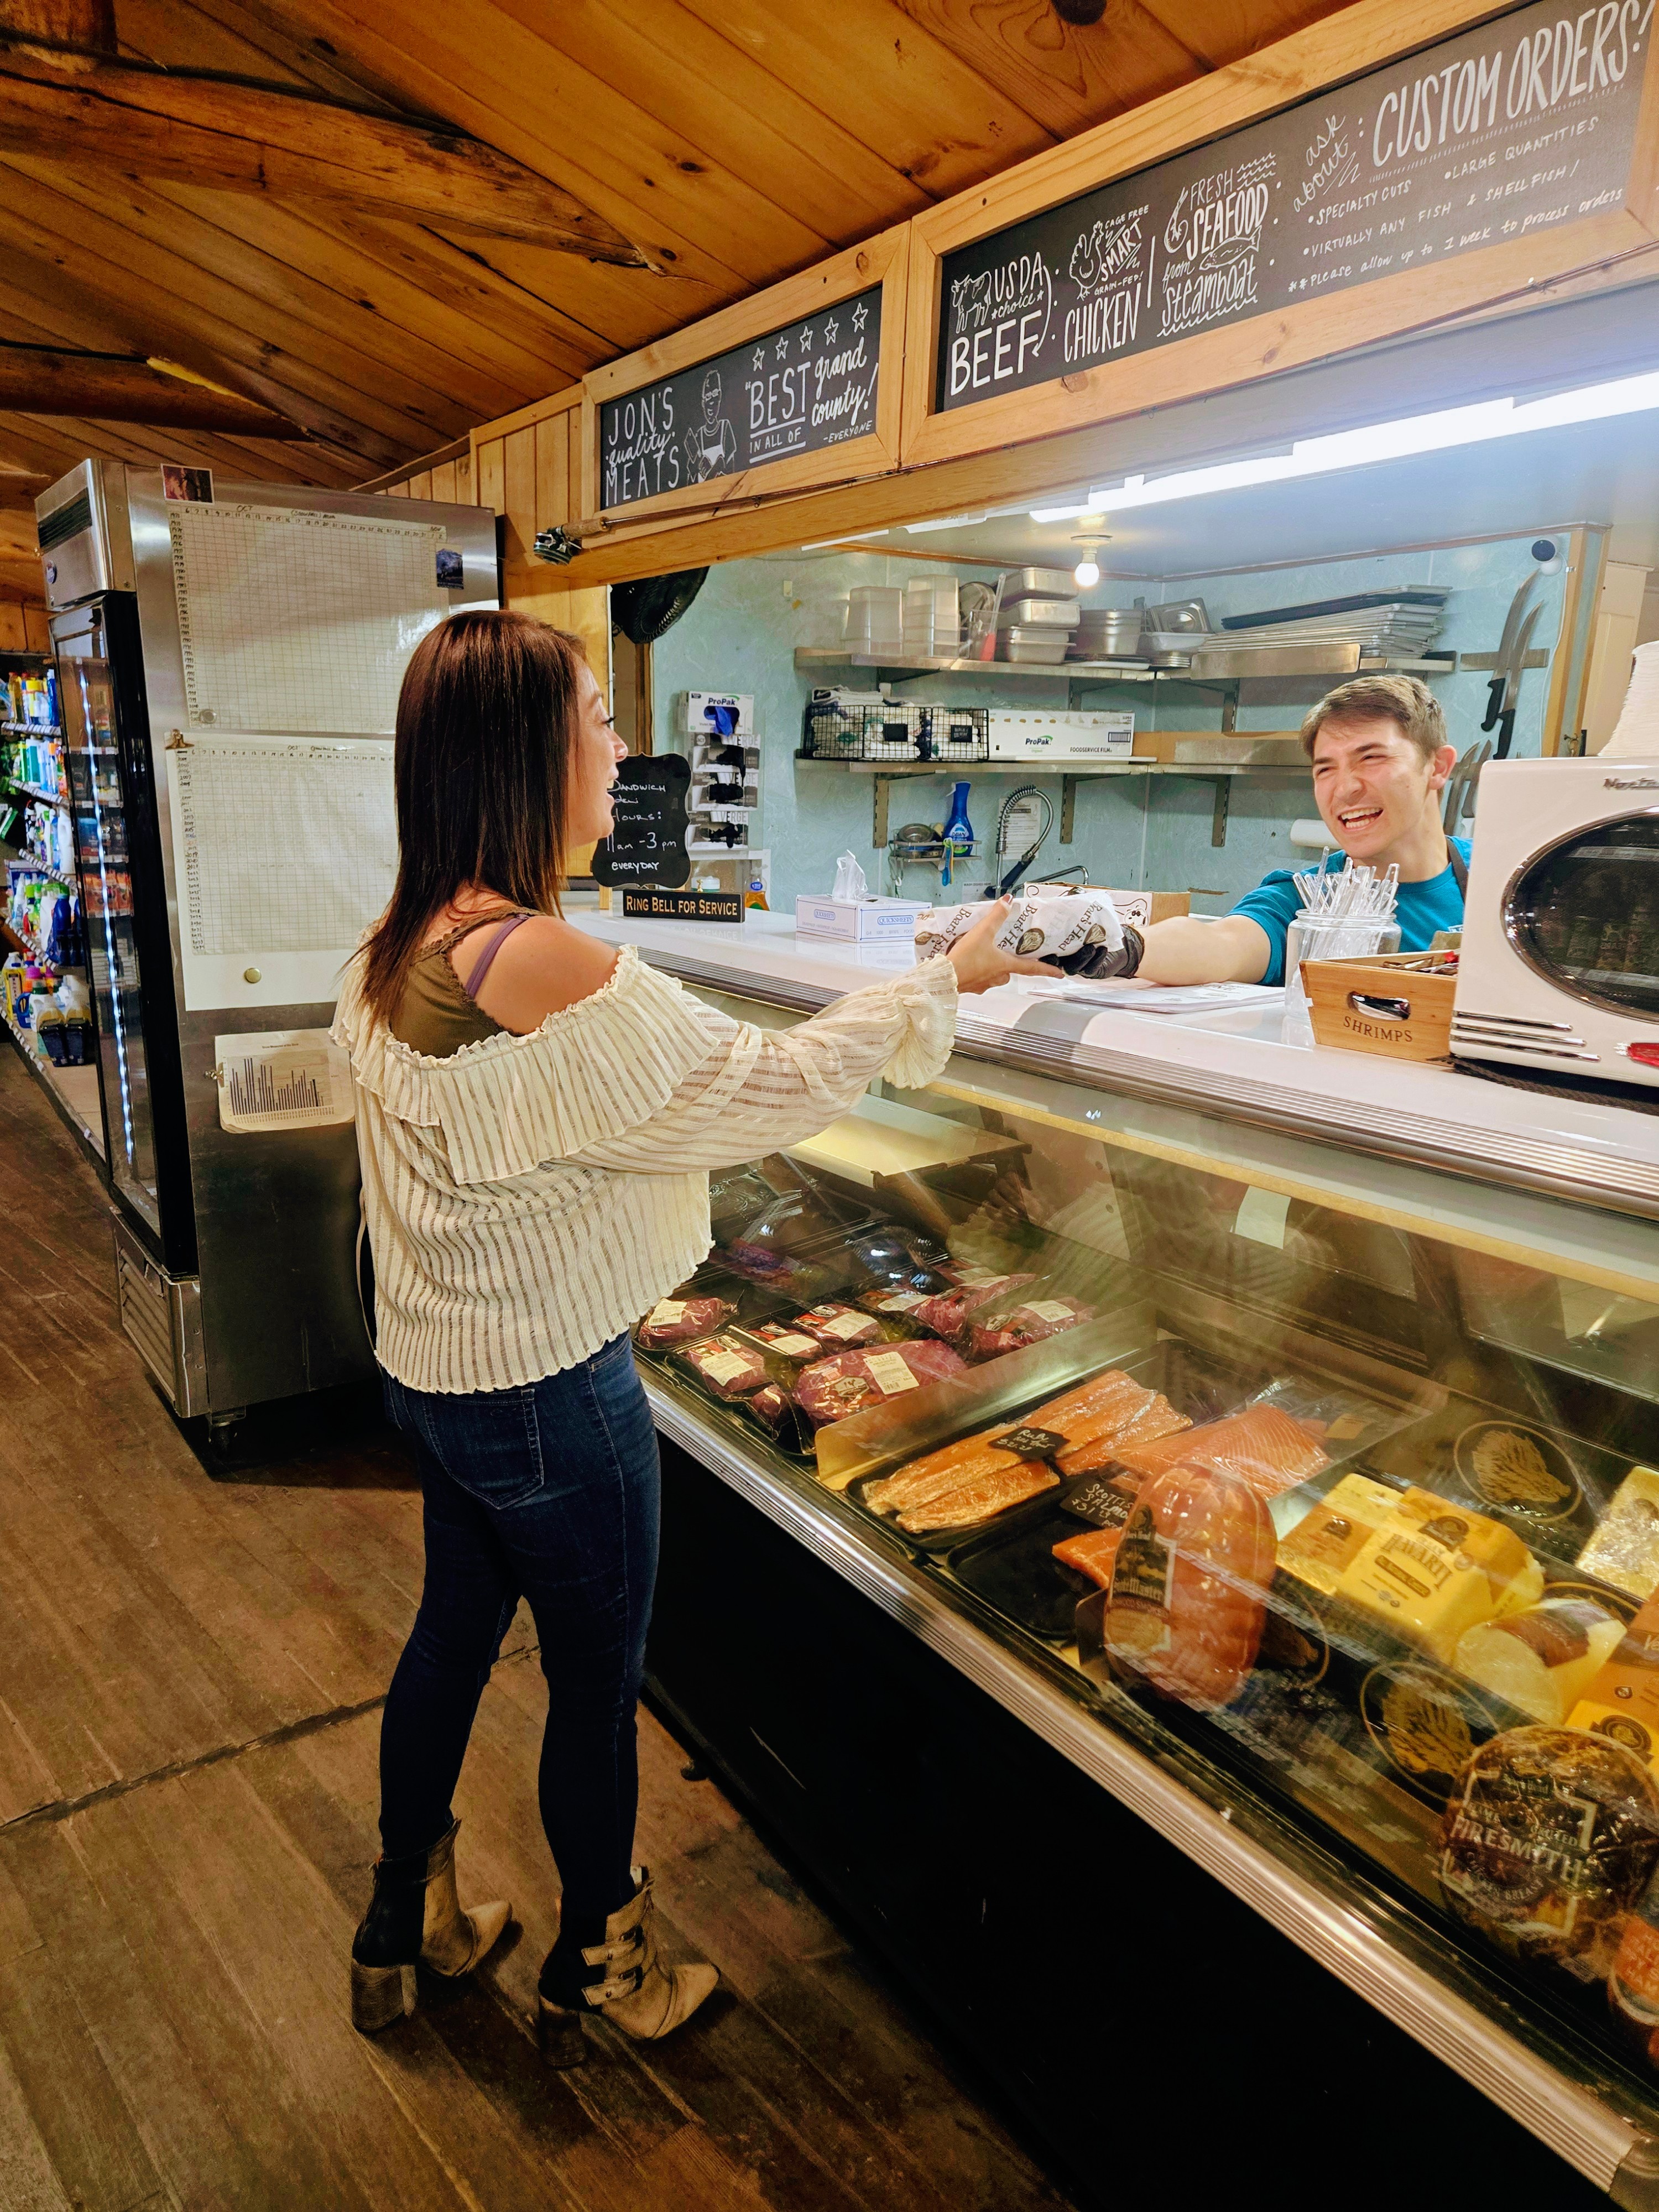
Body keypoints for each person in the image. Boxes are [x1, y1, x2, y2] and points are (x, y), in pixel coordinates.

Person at [331, 609, 1051, 2065]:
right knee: (597, 1690)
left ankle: (402, 1920)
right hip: (548, 1389)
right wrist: (940, 985)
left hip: (440, 1375)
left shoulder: (399, 936)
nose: (621, 748)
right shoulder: (540, 956)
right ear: (526, 756)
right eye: (597, 720)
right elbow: (764, 1086)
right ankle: (605, 1960)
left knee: (451, 1639)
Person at [1115, 674, 1467, 987]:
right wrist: (1124, 947)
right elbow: (1221, 944)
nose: (1345, 789)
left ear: (1438, 767)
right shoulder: (1305, 901)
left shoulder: (1496, 879)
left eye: (1371, 758)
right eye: (1325, 769)